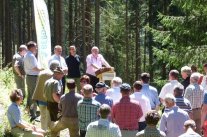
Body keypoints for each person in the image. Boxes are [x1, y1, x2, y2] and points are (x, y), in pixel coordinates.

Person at [32, 60, 60, 130]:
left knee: (43, 116)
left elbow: (37, 85)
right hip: (49, 99)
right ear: (56, 67)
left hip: (39, 98)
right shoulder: (53, 74)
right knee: (50, 117)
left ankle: (43, 131)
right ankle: (50, 132)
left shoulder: (41, 72)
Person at [24, 41, 44, 121]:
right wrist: (43, 69)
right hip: (32, 77)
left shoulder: (27, 54)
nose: (36, 48)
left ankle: (29, 110)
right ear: (31, 47)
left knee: (30, 94)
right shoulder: (31, 56)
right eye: (35, 46)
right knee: (33, 95)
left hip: (30, 77)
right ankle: (33, 114)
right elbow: (35, 68)